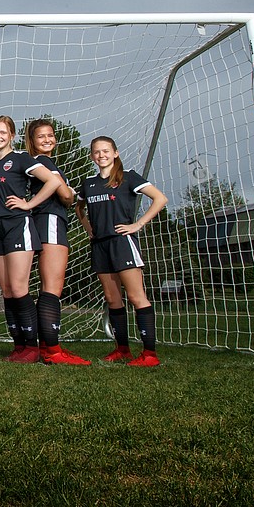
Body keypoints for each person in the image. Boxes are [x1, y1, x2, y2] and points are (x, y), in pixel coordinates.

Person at [0, 116, 64, 363]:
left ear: (11, 135)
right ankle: (19, 346)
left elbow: (53, 181)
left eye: (3, 132)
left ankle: (32, 348)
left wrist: (29, 204)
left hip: (17, 227)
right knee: (7, 290)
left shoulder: (21, 158)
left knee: (19, 288)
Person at [76, 135, 169, 367]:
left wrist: (137, 224)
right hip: (100, 245)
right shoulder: (89, 184)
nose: (102, 155)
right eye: (97, 152)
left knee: (136, 297)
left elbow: (160, 199)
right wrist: (88, 227)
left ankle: (149, 354)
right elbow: (79, 207)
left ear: (115, 153)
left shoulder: (129, 178)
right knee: (112, 298)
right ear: (92, 156)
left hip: (122, 242)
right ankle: (123, 349)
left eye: (106, 151)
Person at [24, 120, 90, 366]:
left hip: (44, 221)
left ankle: (45, 346)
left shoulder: (42, 163)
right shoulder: (42, 162)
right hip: (50, 220)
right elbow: (65, 195)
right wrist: (70, 193)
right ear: (32, 141)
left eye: (50, 135)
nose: (47, 140)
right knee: (52, 286)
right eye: (41, 136)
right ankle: (52, 349)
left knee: (47, 285)